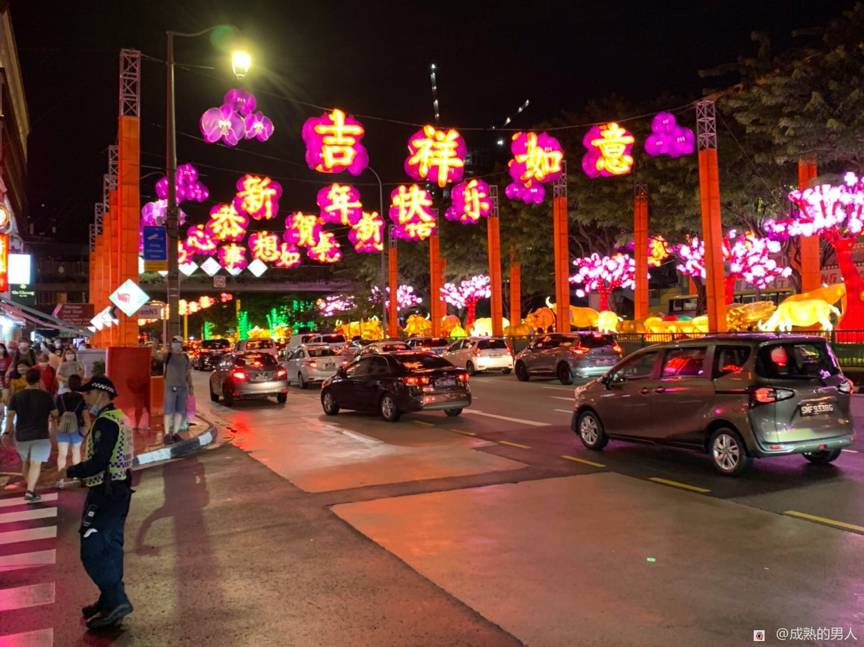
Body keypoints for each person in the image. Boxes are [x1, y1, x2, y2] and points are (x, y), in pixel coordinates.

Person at [64, 376, 134, 629]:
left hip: (105, 494)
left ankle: (116, 600)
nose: (86, 397)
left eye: (88, 393)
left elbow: (99, 461)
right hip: (119, 490)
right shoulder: (119, 417)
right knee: (111, 547)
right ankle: (108, 599)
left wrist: (71, 471)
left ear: (101, 393)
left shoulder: (106, 423)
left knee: (92, 549)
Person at [3, 368, 58, 503]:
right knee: (36, 464)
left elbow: (10, 415)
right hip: (41, 435)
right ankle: (30, 490)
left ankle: (30, 487)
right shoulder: (46, 396)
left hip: (22, 435)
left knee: (25, 462)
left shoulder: (16, 396)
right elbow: (55, 414)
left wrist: (6, 432)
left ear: (26, 380)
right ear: (39, 380)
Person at [55, 374, 87, 482]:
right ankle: (76, 476)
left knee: (62, 455)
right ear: (80, 384)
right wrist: (85, 432)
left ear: (68, 384)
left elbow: (55, 415)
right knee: (76, 452)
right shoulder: (82, 399)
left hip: (62, 429)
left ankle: (60, 480)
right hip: (76, 429)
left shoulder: (60, 397)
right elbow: (86, 417)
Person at [162, 336, 193, 444]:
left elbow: (188, 373)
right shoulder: (168, 356)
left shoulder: (185, 357)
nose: (177, 345)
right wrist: (160, 346)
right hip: (170, 387)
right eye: (175, 343)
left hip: (182, 388)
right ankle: (167, 434)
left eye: (179, 343)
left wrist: (190, 387)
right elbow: (155, 356)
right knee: (168, 411)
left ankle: (175, 433)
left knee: (180, 411)